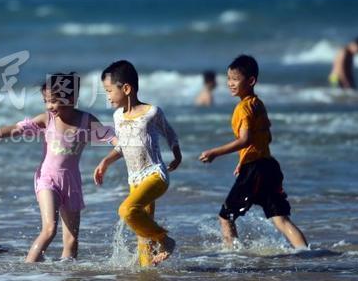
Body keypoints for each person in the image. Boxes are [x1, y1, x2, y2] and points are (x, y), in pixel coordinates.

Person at [0, 72, 111, 262]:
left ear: (72, 98)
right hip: (47, 178)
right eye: (46, 101)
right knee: (49, 228)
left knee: (72, 239)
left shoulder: (86, 121)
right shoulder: (47, 119)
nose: (49, 106)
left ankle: (66, 280)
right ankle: (28, 270)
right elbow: (14, 130)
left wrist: (119, 150)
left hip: (71, 182)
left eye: (54, 101)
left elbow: (112, 138)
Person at [199, 55, 308, 249]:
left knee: (225, 217)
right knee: (281, 220)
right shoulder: (258, 104)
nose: (230, 83)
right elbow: (263, 138)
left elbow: (245, 139)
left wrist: (215, 152)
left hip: (255, 169)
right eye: (228, 78)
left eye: (235, 79)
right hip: (269, 166)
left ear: (250, 81)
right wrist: (243, 160)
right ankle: (306, 254)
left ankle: (232, 258)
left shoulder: (243, 108)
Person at [94, 60, 181, 266]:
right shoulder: (117, 116)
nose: (107, 96)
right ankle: (148, 277)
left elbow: (170, 134)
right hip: (134, 179)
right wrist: (105, 162)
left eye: (108, 91)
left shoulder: (152, 112)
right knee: (142, 235)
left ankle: (165, 240)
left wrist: (177, 155)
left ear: (126, 88)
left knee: (126, 210)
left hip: (155, 174)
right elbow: (123, 146)